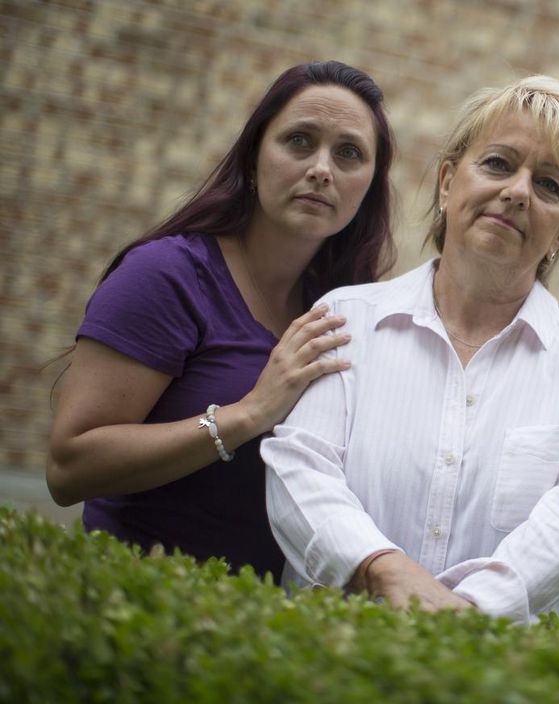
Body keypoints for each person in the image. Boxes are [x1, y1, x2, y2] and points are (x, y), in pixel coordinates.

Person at [262, 76, 559, 623]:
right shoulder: (346, 318)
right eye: (498, 164)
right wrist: (382, 569)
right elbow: (301, 467)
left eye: (549, 185)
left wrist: (470, 614)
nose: (517, 191)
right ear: (446, 183)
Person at [46, 61, 396, 584]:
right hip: (139, 607)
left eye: (349, 153)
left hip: (269, 631)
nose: (322, 168)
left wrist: (557, 324)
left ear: (368, 185)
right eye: (299, 141)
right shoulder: (169, 276)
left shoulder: (344, 309)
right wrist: (247, 414)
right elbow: (69, 468)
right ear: (254, 159)